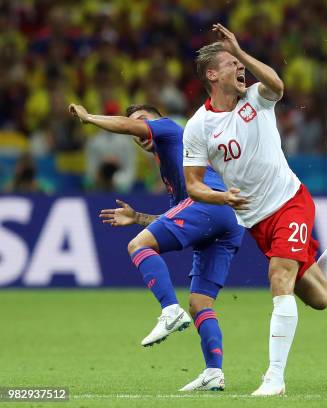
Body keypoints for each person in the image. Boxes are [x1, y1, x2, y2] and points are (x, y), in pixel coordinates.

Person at [182, 23, 327, 396]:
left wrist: (241, 51)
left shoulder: (256, 99)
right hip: (255, 219)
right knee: (320, 298)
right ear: (212, 74)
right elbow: (193, 184)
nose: (240, 69)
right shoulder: (198, 127)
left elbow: (277, 85)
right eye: (231, 64)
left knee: (280, 277)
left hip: (289, 201)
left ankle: (274, 377)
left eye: (240, 63)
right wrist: (221, 198)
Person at [68, 103, 244, 391]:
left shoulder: (170, 129)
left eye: (142, 122)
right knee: (201, 303)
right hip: (227, 218)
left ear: (157, 120)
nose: (137, 131)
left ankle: (169, 310)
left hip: (210, 203)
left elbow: (126, 126)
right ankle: (214, 372)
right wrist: (138, 217)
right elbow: (177, 216)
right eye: (134, 127)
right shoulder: (173, 167)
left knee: (138, 245)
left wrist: (89, 118)